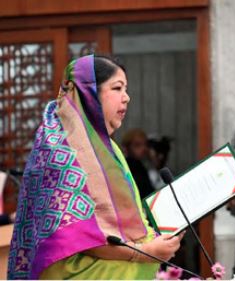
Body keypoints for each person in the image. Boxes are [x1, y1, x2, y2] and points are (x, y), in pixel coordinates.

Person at [8, 55, 182, 279]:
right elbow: (79, 237)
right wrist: (145, 252)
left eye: (126, 89)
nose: (127, 97)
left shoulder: (108, 147)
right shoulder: (62, 150)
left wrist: (156, 241)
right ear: (88, 94)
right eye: (117, 88)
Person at [121, 128, 153, 199]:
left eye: (145, 145)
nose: (144, 148)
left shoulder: (141, 166)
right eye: (137, 145)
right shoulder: (127, 167)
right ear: (125, 148)